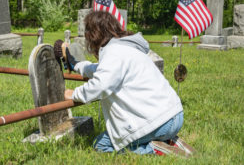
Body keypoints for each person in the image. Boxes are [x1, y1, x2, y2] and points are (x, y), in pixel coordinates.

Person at [64, 11, 191, 156]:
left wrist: (74, 94)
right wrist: (77, 66)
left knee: (100, 145)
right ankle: (169, 140)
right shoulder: (125, 48)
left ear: (93, 35)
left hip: (158, 122)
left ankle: (156, 149)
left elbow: (101, 85)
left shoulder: (113, 53)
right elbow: (101, 70)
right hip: (173, 114)